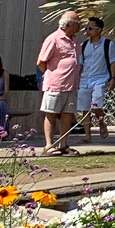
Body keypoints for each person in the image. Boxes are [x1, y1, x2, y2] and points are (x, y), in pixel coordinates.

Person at [36, 9, 82, 155]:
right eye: (77, 23)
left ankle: (64, 144)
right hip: (56, 84)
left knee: (68, 114)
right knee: (51, 114)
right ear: (68, 25)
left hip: (71, 84)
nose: (80, 26)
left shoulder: (74, 40)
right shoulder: (53, 39)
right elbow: (41, 62)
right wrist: (53, 75)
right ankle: (48, 146)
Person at [72, 16, 115, 143]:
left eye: (90, 28)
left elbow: (113, 62)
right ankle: (88, 135)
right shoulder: (84, 45)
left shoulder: (108, 44)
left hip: (100, 79)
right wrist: (76, 78)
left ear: (99, 30)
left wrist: (113, 78)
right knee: (85, 108)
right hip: (85, 80)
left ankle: (101, 121)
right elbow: (81, 63)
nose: (88, 31)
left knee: (96, 105)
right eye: (86, 28)